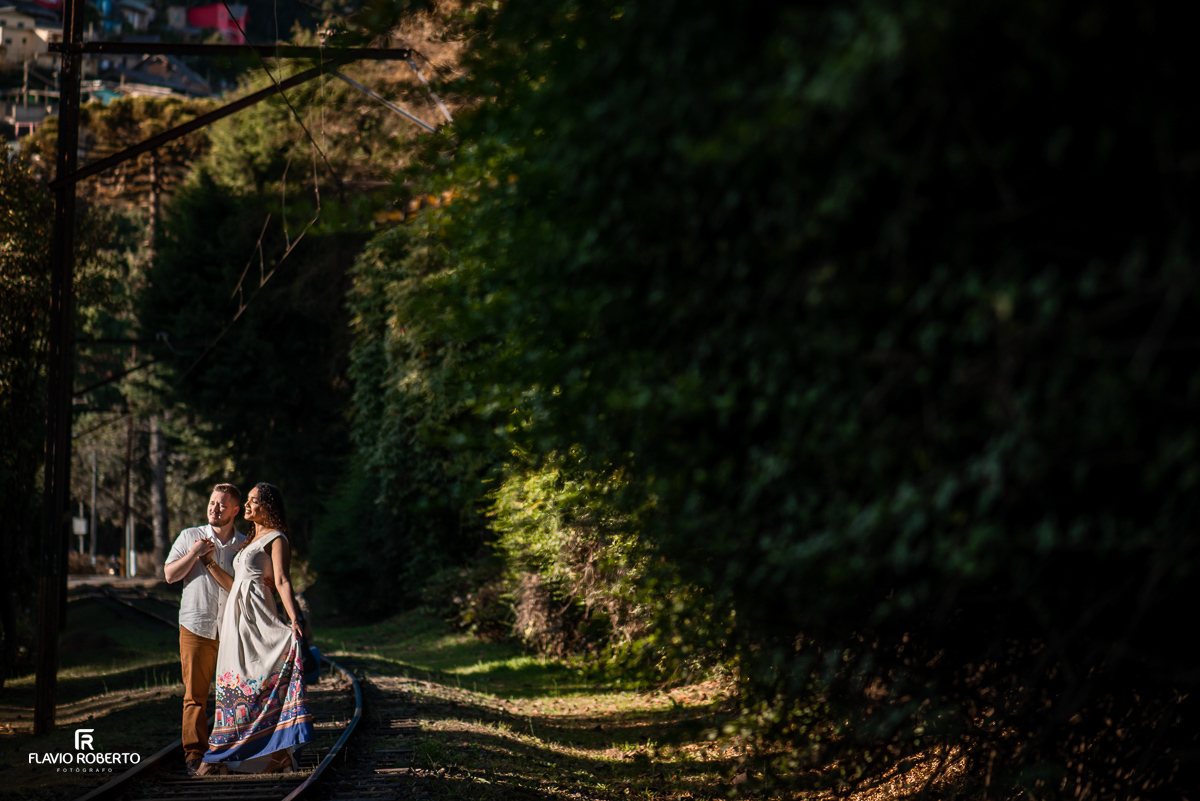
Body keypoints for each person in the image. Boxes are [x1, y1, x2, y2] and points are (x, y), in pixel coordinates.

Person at [197, 482, 313, 775]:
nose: (246, 506)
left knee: (255, 684)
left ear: (268, 506)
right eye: (247, 501)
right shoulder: (250, 541)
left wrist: (295, 620)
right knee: (234, 687)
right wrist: (208, 563)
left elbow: (283, 581)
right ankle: (268, 757)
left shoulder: (276, 539)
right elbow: (237, 585)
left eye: (252, 501)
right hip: (237, 624)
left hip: (258, 619)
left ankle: (227, 757)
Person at [164, 484, 245, 775]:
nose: (214, 508)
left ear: (235, 510)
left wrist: (208, 561)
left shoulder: (243, 545)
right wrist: (195, 553)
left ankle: (230, 750)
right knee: (195, 696)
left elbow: (240, 589)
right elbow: (170, 575)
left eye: (222, 505)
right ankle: (194, 755)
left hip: (230, 629)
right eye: (212, 503)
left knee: (233, 695)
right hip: (195, 625)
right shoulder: (189, 536)